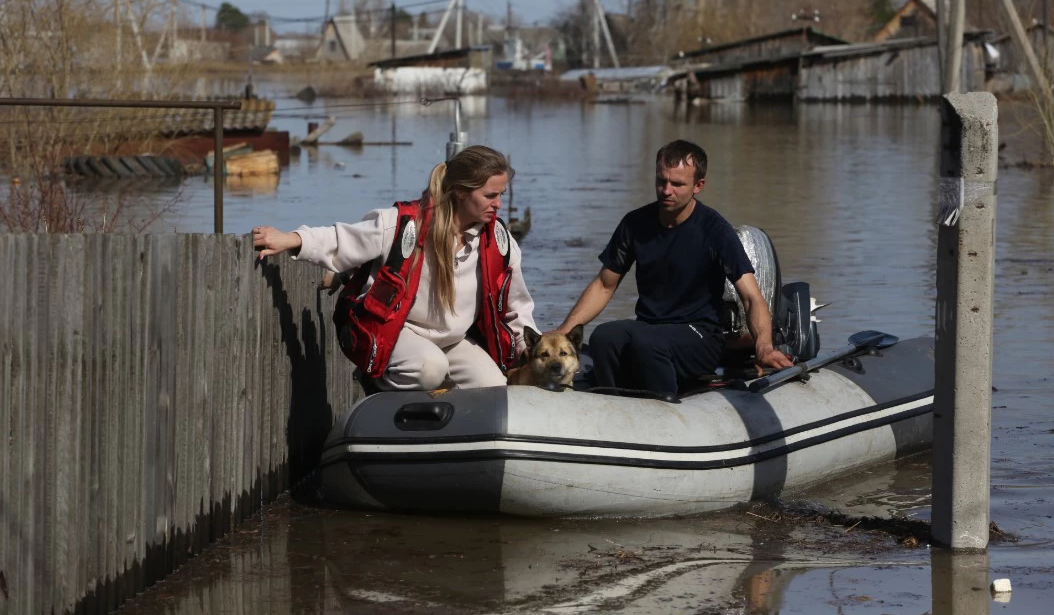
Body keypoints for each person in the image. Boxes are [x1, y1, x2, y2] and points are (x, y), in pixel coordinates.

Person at [252, 145, 536, 393]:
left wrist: (533, 349)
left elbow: (517, 306)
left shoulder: (500, 242)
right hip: (396, 329)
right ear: (461, 192)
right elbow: (343, 239)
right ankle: (378, 382)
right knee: (430, 368)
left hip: (453, 339)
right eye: (490, 195)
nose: (498, 204)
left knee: (495, 389)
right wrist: (292, 239)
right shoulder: (405, 224)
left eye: (501, 194)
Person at [555, 139, 792, 397]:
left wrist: (765, 347)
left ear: (698, 186)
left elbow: (751, 298)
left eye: (677, 184)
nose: (666, 190)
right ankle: (614, 404)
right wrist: (563, 332)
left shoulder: (716, 231)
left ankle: (665, 410)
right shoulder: (635, 224)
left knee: (648, 343)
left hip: (699, 335)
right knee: (604, 337)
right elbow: (604, 285)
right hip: (649, 326)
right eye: (661, 181)